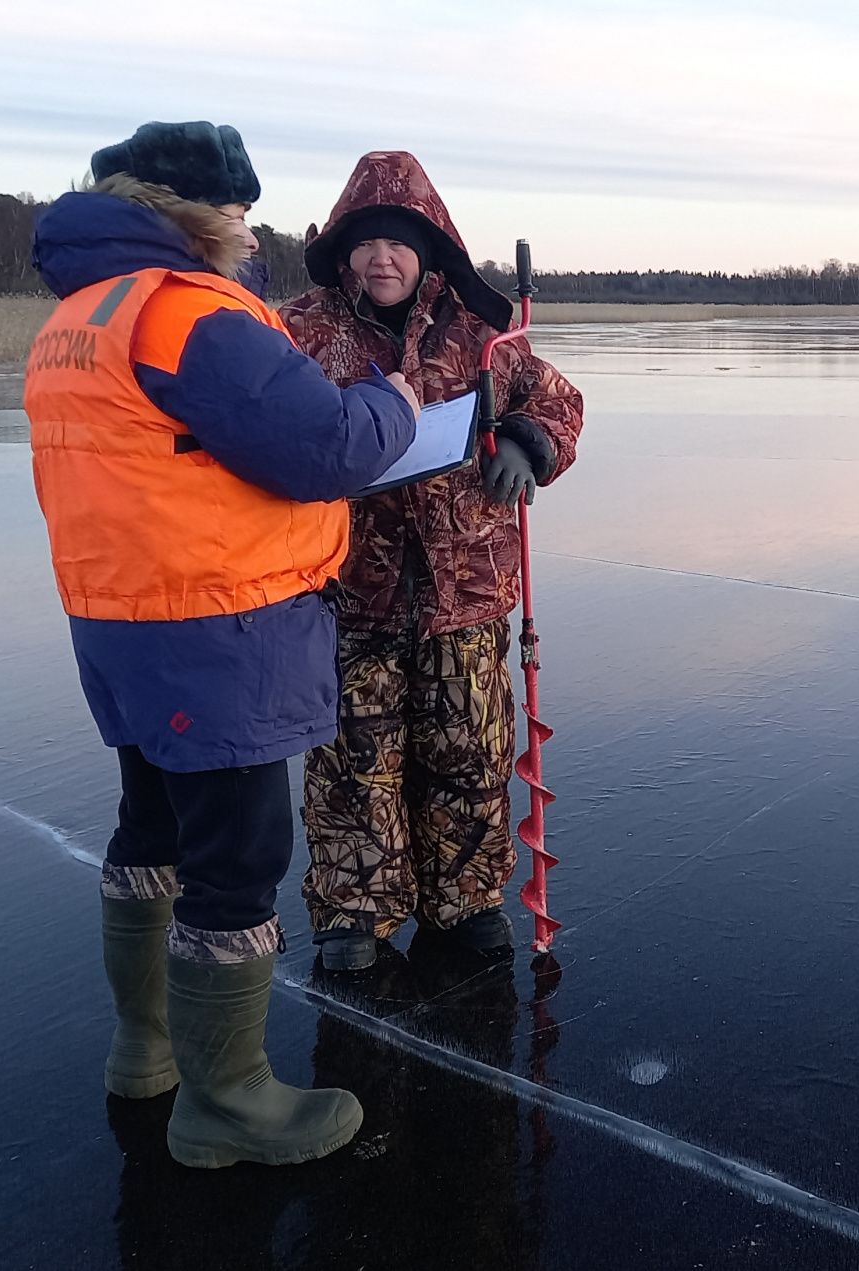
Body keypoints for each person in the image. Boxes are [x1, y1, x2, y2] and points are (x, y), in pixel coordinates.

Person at [23, 121, 419, 1167]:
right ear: (195, 211)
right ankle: (226, 1098)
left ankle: (144, 1050)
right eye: (238, 214)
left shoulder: (81, 312)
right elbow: (324, 447)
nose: (248, 237)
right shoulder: (185, 311)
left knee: (149, 824)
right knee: (238, 855)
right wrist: (392, 401)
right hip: (213, 620)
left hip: (119, 615)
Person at [282, 151, 584, 972]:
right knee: (354, 761)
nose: (383, 258)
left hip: (470, 588)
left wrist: (530, 442)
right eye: (367, 242)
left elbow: (557, 399)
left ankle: (468, 902)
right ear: (342, 250)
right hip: (351, 589)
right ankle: (356, 911)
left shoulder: (481, 333)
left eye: (401, 243)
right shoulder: (302, 331)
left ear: (430, 248)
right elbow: (265, 423)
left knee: (471, 753)